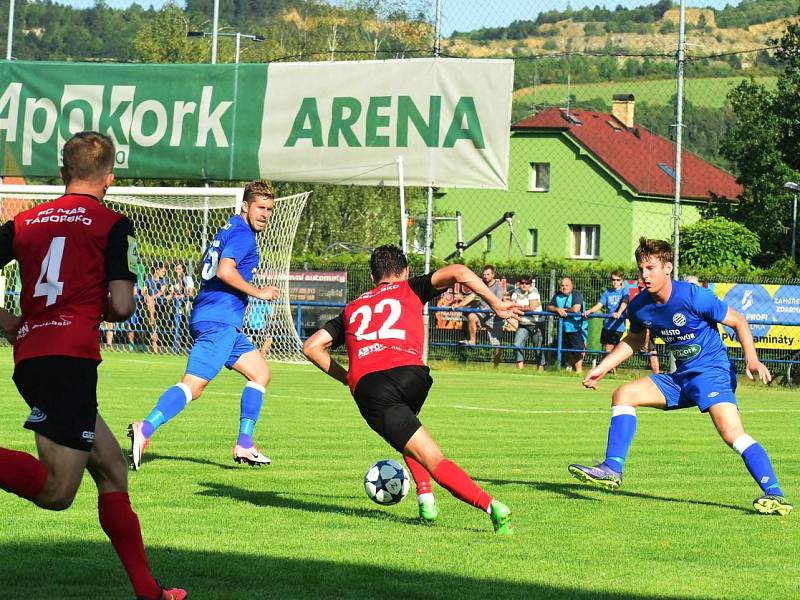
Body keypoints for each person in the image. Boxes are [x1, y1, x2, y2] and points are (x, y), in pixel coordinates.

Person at [0, 131, 186, 599]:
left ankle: (149, 591)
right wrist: (88, 305)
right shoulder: (111, 223)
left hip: (33, 355)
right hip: (70, 359)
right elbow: (122, 306)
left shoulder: (24, 223)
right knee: (58, 492)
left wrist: (9, 322)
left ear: (62, 174)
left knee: (110, 470)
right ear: (110, 178)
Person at [569, 238, 792, 516]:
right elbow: (635, 340)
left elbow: (738, 321)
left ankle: (776, 495)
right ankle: (612, 468)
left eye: (651, 267)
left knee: (732, 434)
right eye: (641, 268)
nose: (644, 275)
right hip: (681, 377)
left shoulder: (693, 296)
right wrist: (602, 367)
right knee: (624, 394)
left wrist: (752, 358)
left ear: (668, 268)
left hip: (712, 374)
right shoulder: (639, 306)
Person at [302, 245, 517, 534]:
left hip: (372, 387)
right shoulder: (410, 288)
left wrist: (348, 378)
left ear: (371, 276)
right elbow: (459, 272)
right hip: (413, 376)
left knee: (431, 457)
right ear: (405, 271)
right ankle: (426, 499)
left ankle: (492, 506)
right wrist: (495, 303)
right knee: (409, 430)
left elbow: (311, 347)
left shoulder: (352, 309)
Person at [128, 181, 279, 470]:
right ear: (245, 206)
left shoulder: (227, 229)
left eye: (269, 209)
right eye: (260, 207)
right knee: (193, 387)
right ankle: (145, 429)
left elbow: (204, 266)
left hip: (220, 320)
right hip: (219, 321)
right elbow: (223, 270)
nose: (265, 214)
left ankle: (245, 444)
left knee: (260, 373)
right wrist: (258, 292)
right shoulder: (243, 235)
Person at [452, 265, 504, 367]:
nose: (485, 276)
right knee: (471, 316)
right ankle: (472, 341)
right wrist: (458, 305)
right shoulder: (480, 284)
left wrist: (489, 308)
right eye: (484, 274)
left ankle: (496, 367)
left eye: (488, 274)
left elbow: (497, 302)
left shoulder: (498, 287)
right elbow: (470, 297)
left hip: (494, 316)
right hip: (481, 314)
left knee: (497, 345)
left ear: (493, 275)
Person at [584, 270, 629, 370]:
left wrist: (619, 312)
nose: (615, 282)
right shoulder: (607, 292)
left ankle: (605, 369)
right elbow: (600, 305)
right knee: (607, 349)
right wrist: (589, 311)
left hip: (618, 326)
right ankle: (611, 369)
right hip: (607, 325)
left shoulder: (624, 291)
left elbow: (624, 303)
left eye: (618, 280)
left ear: (622, 280)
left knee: (610, 348)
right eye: (613, 280)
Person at [547, 277, 586, 372]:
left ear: (572, 286)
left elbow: (576, 309)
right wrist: (557, 309)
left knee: (578, 350)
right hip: (563, 328)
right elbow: (549, 307)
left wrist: (564, 311)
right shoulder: (558, 295)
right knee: (563, 349)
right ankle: (566, 367)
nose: (564, 287)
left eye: (567, 285)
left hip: (577, 328)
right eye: (562, 285)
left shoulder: (576, 294)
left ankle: (577, 370)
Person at [510, 277, 546, 371]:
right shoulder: (515, 292)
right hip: (523, 323)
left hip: (536, 323)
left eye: (527, 283)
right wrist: (522, 309)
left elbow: (532, 307)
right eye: (522, 283)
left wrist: (518, 309)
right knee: (517, 344)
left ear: (530, 284)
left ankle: (540, 369)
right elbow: (511, 306)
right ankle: (520, 369)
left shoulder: (533, 291)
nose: (524, 285)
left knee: (538, 347)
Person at [144, 262, 169, 353]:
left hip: (161, 304)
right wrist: (147, 296)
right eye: (163, 271)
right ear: (157, 270)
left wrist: (152, 297)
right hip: (151, 303)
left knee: (151, 303)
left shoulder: (164, 280)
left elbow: (162, 292)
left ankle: (152, 318)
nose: (164, 273)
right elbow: (144, 291)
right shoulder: (148, 280)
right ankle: (154, 347)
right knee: (151, 303)